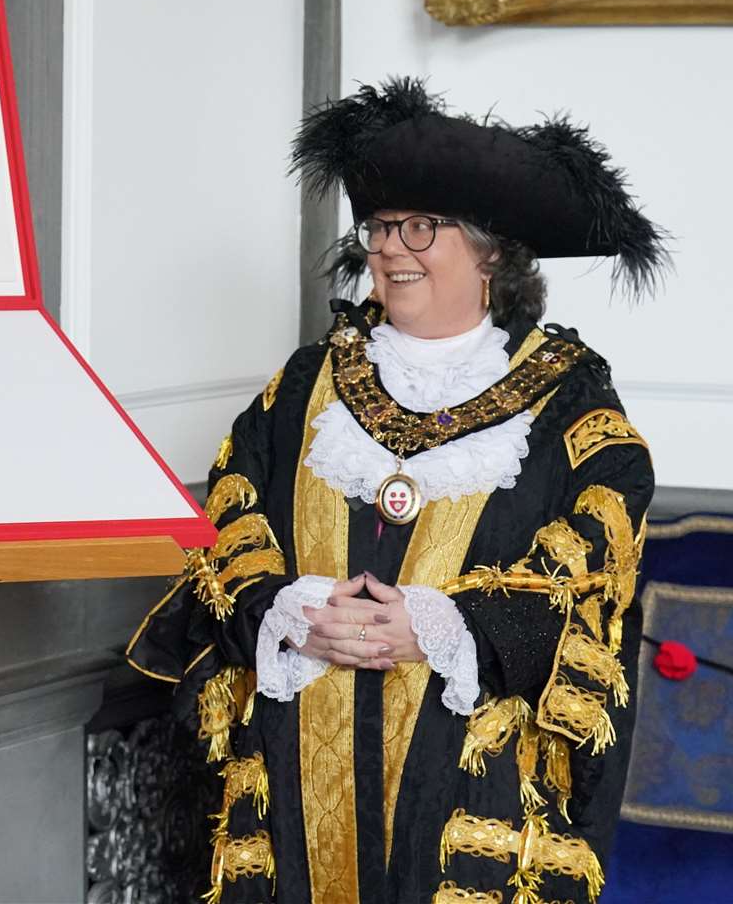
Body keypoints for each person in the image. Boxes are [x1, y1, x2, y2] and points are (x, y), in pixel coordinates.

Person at [128, 78, 666, 904]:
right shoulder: (308, 383)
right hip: (299, 759)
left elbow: (598, 564)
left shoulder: (569, 400)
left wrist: (449, 627)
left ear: (491, 251)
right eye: (380, 226)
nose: (389, 246)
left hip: (469, 780)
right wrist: (287, 606)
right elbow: (231, 511)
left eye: (421, 226)